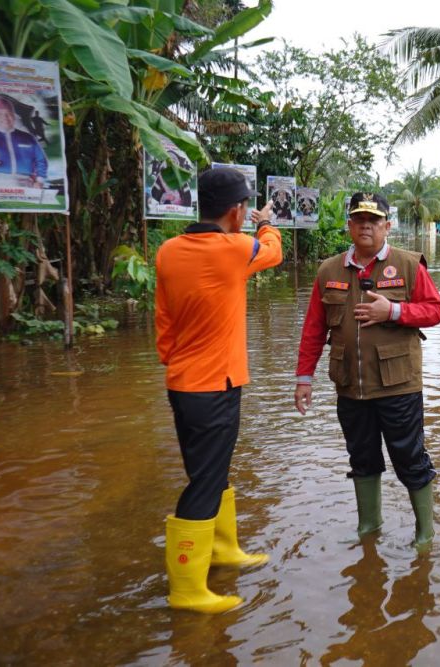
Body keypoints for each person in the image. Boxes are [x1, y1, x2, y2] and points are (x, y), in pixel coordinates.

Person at [155, 167, 282, 613]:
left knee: (212, 471)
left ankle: (223, 550)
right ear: (236, 210)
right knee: (205, 482)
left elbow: (164, 323)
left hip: (184, 383)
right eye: (246, 208)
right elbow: (273, 251)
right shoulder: (233, 248)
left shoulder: (168, 251)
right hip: (216, 386)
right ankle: (187, 590)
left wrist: (176, 360)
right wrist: (267, 222)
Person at [294, 191, 440, 548]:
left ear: (387, 226)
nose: (366, 226)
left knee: (410, 458)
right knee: (362, 458)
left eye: (374, 220)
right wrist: (304, 378)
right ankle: (369, 527)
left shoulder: (408, 265)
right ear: (349, 225)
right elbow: (314, 328)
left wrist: (392, 312)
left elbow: (436, 310)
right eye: (359, 219)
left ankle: (425, 533)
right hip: (350, 386)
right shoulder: (328, 270)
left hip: (399, 386)